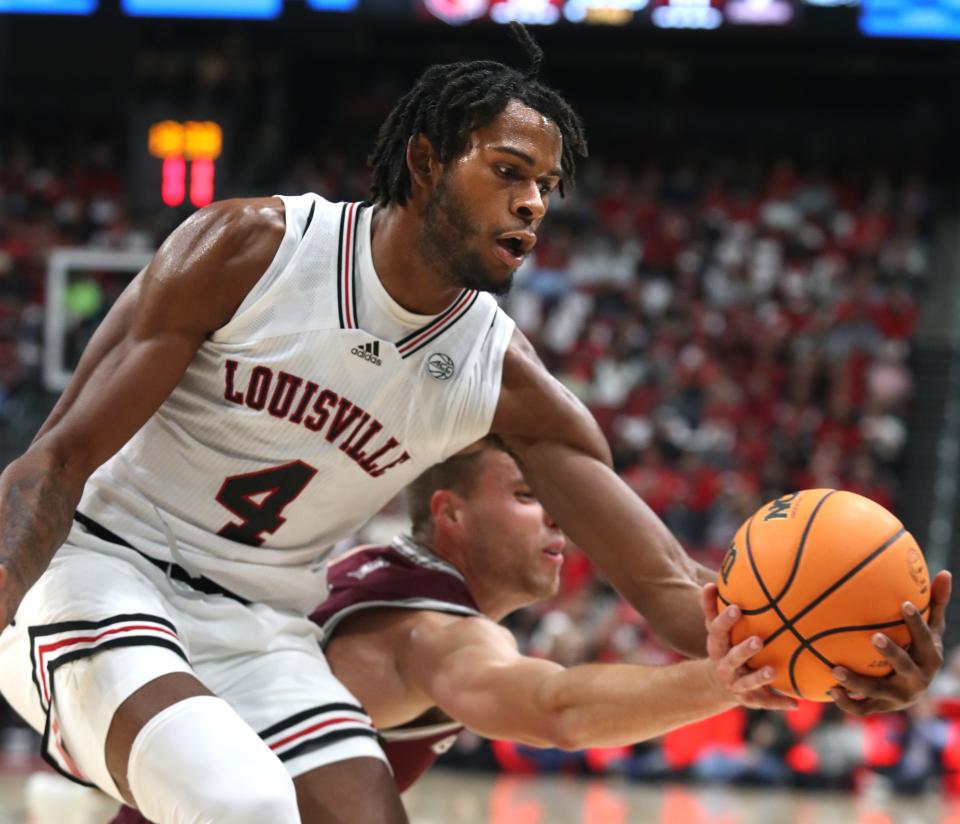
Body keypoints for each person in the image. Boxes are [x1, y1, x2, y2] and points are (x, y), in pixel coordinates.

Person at [0, 23, 947, 824]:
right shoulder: (254, 249)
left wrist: (829, 660)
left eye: (548, 187)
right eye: (508, 171)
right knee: (239, 800)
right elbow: (58, 460)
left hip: (258, 624)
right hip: (102, 569)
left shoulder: (505, 380)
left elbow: (678, 595)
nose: (534, 202)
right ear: (424, 160)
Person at [106, 439, 784, 824]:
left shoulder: (371, 568)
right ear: (449, 513)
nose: (556, 519)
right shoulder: (429, 630)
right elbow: (560, 711)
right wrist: (726, 681)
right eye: (525, 496)